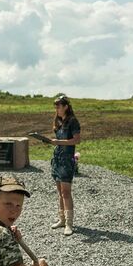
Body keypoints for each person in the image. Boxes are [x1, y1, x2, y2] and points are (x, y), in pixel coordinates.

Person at [49, 94, 82, 236]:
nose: (56, 108)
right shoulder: (59, 122)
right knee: (60, 192)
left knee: (66, 192)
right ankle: (61, 220)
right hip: (57, 159)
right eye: (55, 106)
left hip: (67, 160)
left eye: (58, 106)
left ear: (66, 107)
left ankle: (69, 223)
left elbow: (76, 140)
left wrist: (58, 142)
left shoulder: (73, 121)